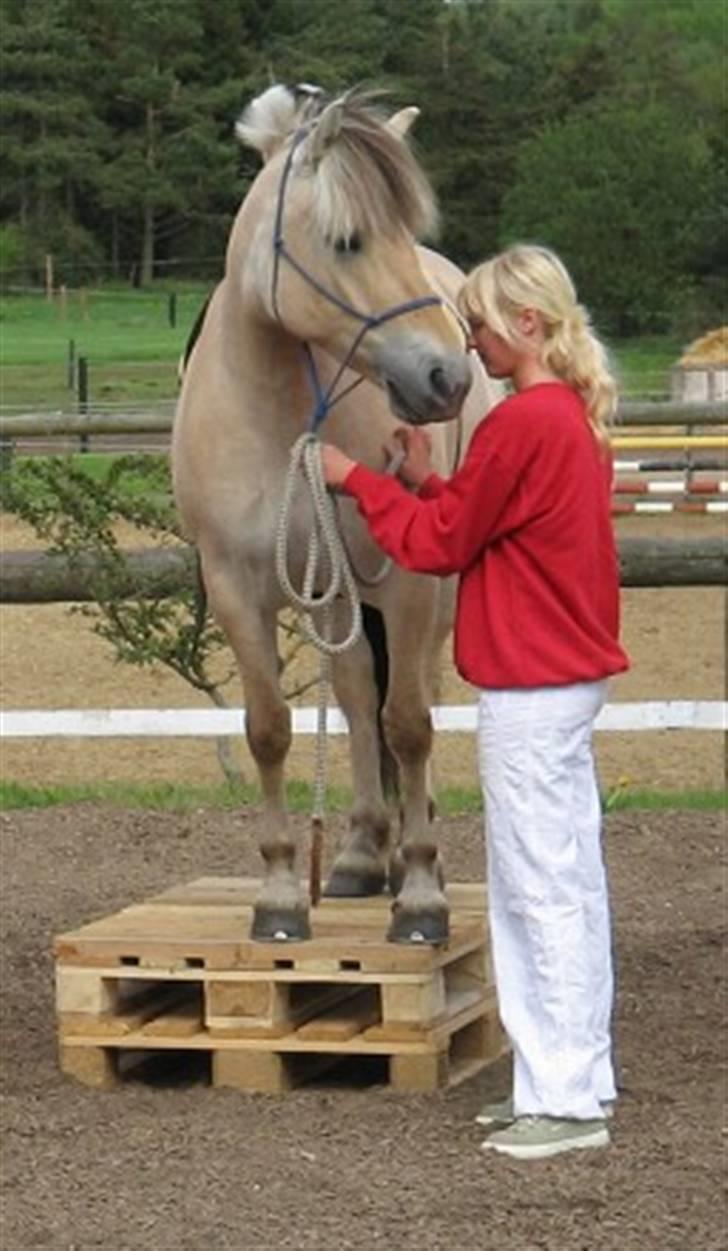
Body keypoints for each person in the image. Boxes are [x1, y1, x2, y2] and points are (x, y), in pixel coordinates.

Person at [320, 243, 630, 1162]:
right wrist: (420, 477)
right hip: (564, 679)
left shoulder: (521, 421)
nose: (473, 344)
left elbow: (444, 544)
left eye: (483, 326)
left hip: (530, 685)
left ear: (526, 326)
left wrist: (356, 482)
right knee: (568, 882)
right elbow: (486, 518)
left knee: (535, 892)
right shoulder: (563, 415)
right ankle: (573, 1078)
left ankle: (564, 1099)